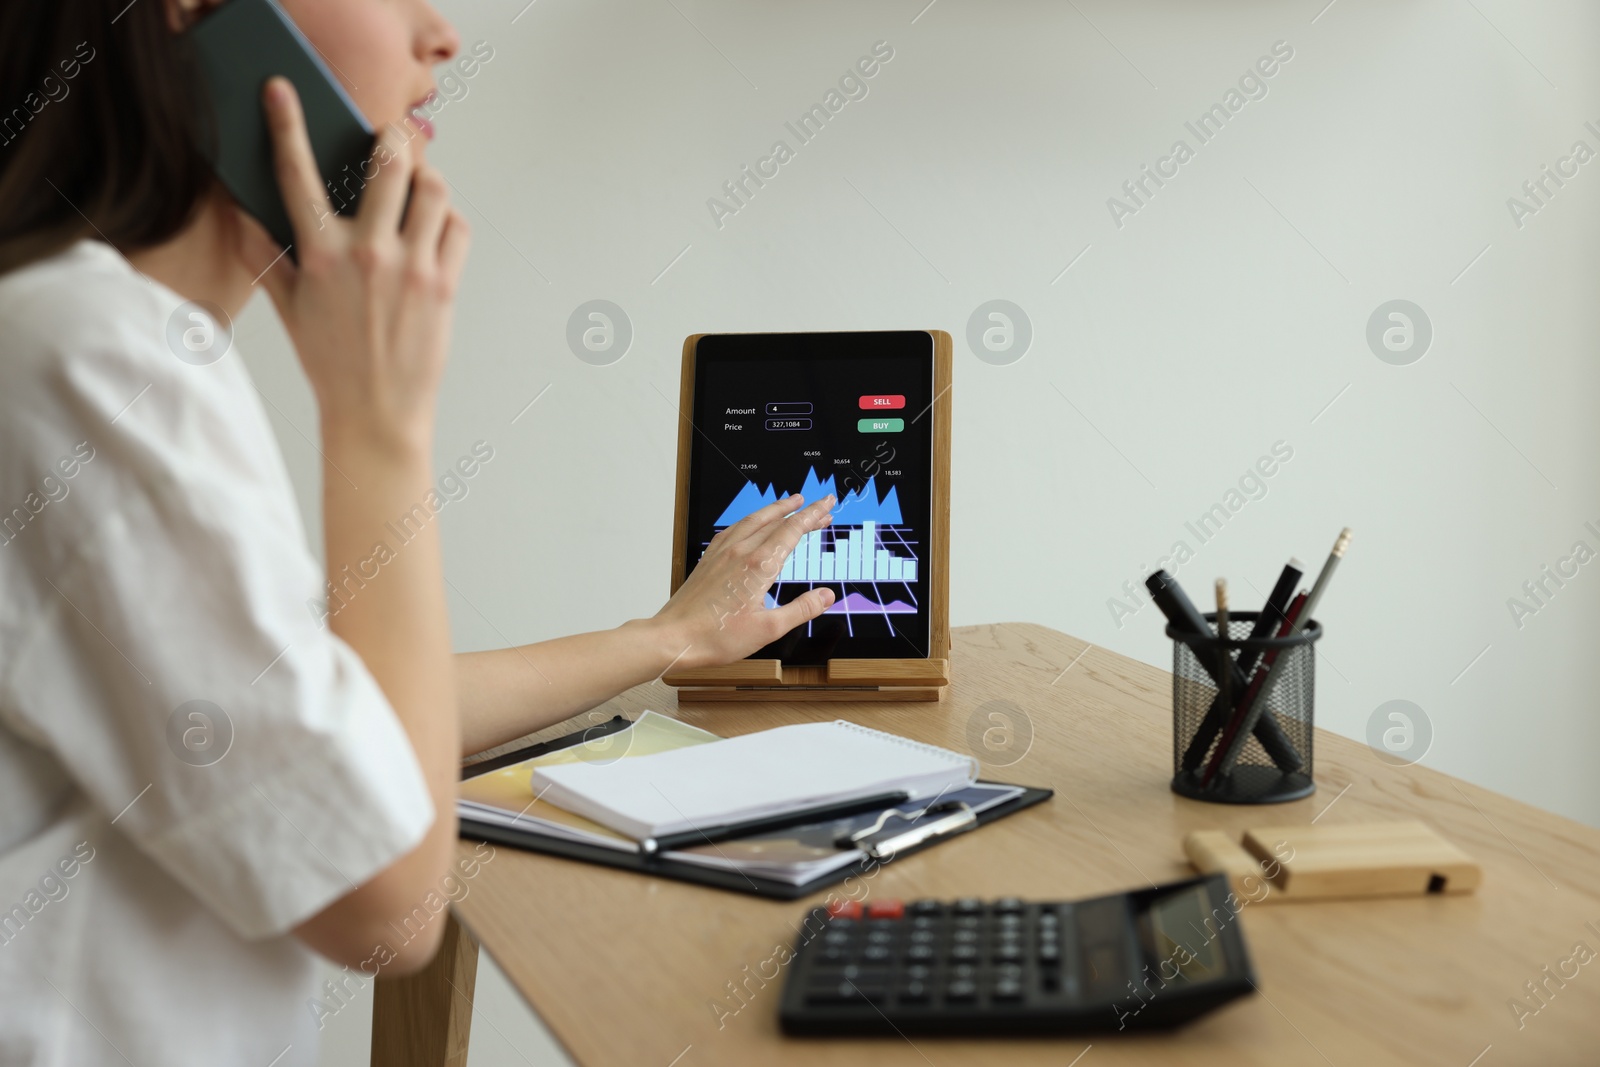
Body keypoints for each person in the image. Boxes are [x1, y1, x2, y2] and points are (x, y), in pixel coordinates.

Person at [0, 1, 835, 1063]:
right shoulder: (84, 362)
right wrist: (378, 424)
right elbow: (384, 900)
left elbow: (326, 727)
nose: (441, 36)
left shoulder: (81, 338)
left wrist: (665, 638)